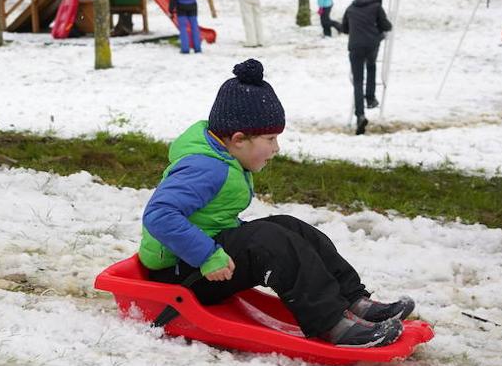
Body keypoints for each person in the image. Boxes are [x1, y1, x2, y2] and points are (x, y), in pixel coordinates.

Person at [138, 59, 414, 348]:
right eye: (270, 139)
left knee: (287, 227)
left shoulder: (223, 157)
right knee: (270, 242)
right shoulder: (206, 167)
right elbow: (159, 214)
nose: (276, 148)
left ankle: (354, 300)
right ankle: (332, 325)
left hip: (202, 258)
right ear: (239, 139)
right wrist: (207, 256)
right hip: (181, 276)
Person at [340, 0, 392, 134]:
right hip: (371, 45)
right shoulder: (376, 7)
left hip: (355, 47)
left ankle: (360, 116)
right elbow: (387, 26)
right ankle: (370, 98)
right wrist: (377, 31)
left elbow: (344, 29)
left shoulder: (351, 8)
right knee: (371, 67)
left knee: (357, 82)